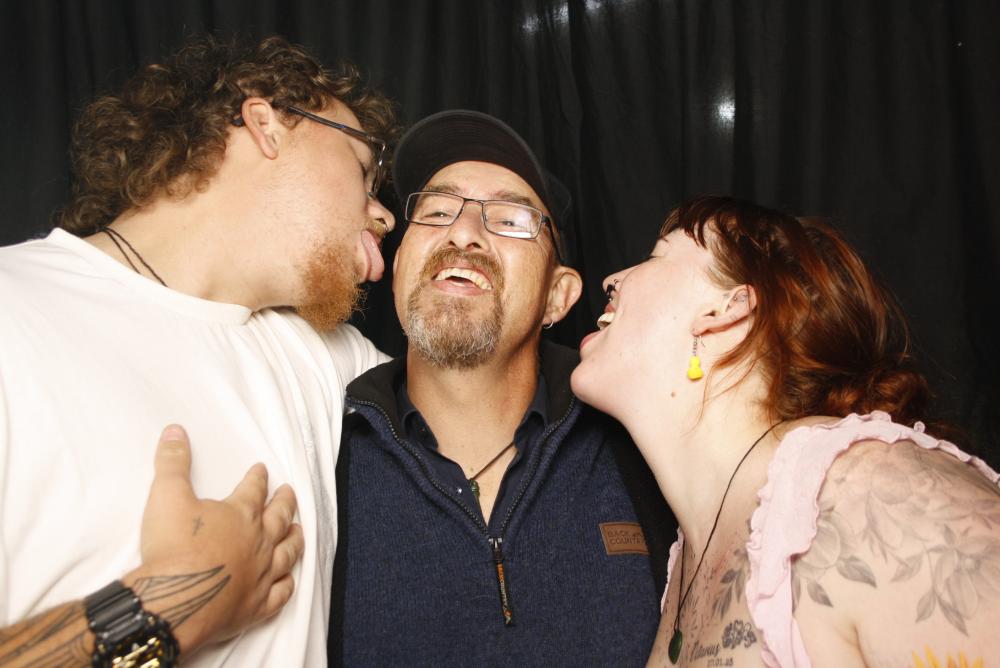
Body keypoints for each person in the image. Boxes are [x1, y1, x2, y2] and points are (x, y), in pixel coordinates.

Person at [0, 35, 397, 666]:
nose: (384, 215)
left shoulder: (325, 358)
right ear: (266, 124)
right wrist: (159, 610)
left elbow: (485, 394)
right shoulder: (13, 310)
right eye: (363, 167)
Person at [570, 196, 1000, 666]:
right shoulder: (685, 564)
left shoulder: (869, 492)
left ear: (727, 308)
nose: (611, 280)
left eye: (656, 256)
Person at [330, 110, 674, 666]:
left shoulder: (640, 450)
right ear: (398, 267)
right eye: (436, 211)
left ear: (557, 297)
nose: (463, 233)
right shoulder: (327, 452)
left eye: (511, 220)